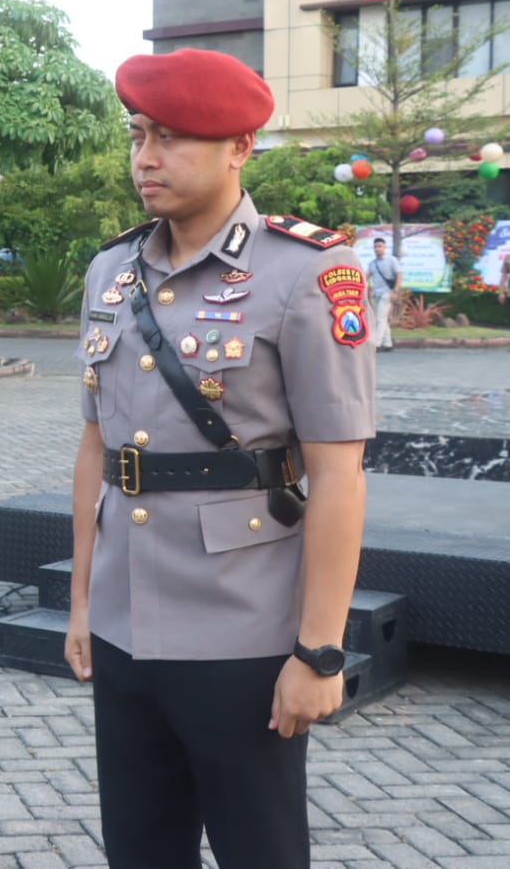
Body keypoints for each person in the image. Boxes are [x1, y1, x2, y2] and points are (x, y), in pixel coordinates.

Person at [63, 48, 375, 868]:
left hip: (243, 631)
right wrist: (81, 604)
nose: (145, 158)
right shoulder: (110, 270)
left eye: (172, 138)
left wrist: (318, 652)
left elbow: (338, 475)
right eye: (137, 135)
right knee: (139, 849)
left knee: (258, 850)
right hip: (126, 620)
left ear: (239, 147)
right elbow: (97, 445)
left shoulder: (307, 272)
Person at [366, 236, 401, 351]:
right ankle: (388, 343)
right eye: (375, 247)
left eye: (379, 246)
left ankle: (376, 344)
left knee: (379, 318)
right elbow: (366, 276)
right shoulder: (372, 263)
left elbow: (399, 275)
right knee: (382, 319)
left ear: (384, 247)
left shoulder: (392, 260)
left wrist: (395, 292)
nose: (377, 249)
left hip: (387, 293)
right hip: (376, 294)